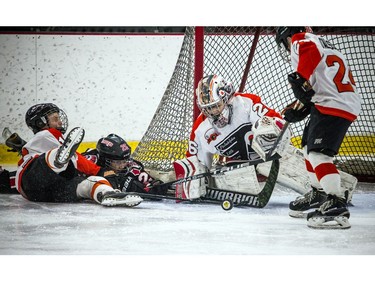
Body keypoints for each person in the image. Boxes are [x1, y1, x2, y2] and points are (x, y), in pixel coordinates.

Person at [275, 27, 361, 229]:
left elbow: (309, 54)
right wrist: (302, 105)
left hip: (333, 105)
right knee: (307, 148)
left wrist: (300, 78)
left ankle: (336, 202)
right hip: (331, 102)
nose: (287, 48)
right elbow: (318, 83)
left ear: (288, 36)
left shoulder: (301, 40)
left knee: (319, 155)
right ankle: (318, 193)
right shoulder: (323, 43)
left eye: (284, 42)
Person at [174, 74, 289, 200]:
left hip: (272, 160)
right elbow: (194, 164)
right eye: (208, 109)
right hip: (239, 170)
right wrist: (194, 180)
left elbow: (279, 125)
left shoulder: (246, 103)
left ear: (227, 97)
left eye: (216, 106)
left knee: (266, 127)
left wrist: (274, 137)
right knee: (204, 170)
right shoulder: (201, 129)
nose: (213, 113)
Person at [14, 103, 143, 207]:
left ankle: (107, 194)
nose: (60, 122)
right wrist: (99, 170)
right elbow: (77, 159)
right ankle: (58, 160)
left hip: (46, 193)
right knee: (55, 159)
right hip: (32, 179)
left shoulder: (41, 142)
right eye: (55, 119)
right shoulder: (47, 134)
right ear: (41, 123)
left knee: (88, 184)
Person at [82, 133, 168, 196]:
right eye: (118, 162)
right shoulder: (91, 159)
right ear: (105, 159)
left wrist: (153, 184)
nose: (122, 166)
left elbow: (146, 180)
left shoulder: (130, 164)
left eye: (124, 161)